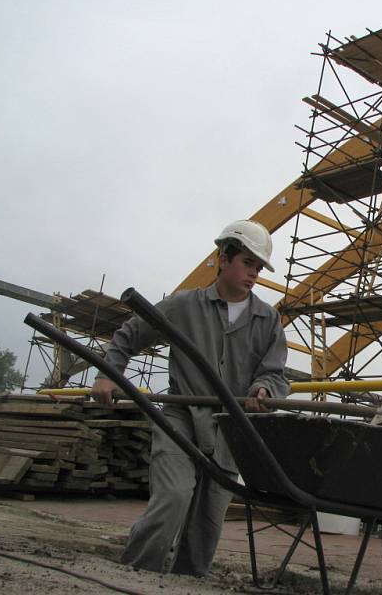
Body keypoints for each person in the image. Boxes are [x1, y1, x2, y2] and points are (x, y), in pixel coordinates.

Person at [91, 219, 289, 577]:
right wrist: (108, 374)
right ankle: (136, 573)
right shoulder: (183, 306)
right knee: (174, 498)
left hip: (231, 430)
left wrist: (264, 390)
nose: (254, 273)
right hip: (180, 420)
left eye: (259, 267)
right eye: (248, 263)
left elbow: (274, 373)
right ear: (223, 258)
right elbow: (129, 335)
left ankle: (188, 583)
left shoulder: (268, 321)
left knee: (207, 524)